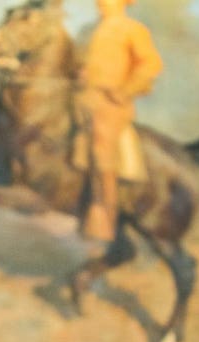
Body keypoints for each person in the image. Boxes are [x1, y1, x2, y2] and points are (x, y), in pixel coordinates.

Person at [75, 0, 163, 247]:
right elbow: (78, 62)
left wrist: (125, 91)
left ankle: (104, 219)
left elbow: (151, 64)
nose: (101, 2)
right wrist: (79, 72)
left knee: (101, 150)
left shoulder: (132, 29)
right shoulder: (88, 30)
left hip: (110, 103)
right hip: (81, 98)